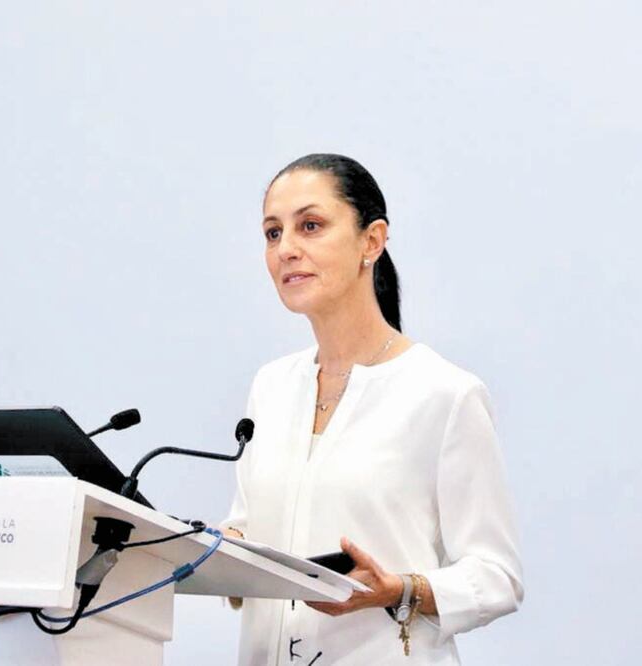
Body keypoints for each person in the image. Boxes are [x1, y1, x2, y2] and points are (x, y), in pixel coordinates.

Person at [220, 154, 524, 665]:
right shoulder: (271, 387)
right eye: (273, 234)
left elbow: (498, 576)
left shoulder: (444, 394)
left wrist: (399, 589)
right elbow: (250, 528)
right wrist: (218, 549)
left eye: (310, 226)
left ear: (372, 240)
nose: (286, 249)